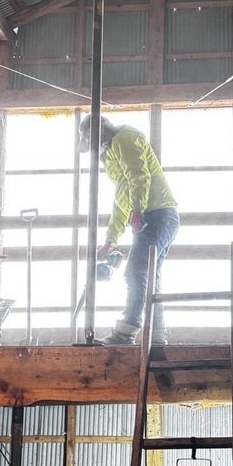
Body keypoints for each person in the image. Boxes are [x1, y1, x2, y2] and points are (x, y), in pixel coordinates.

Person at [78, 114, 179, 345]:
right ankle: (156, 336)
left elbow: (139, 176)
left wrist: (137, 210)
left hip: (156, 214)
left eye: (88, 137)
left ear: (99, 129)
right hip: (160, 216)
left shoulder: (124, 139)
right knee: (150, 278)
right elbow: (122, 195)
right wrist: (111, 238)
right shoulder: (113, 150)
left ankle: (126, 331)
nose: (90, 144)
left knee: (135, 272)